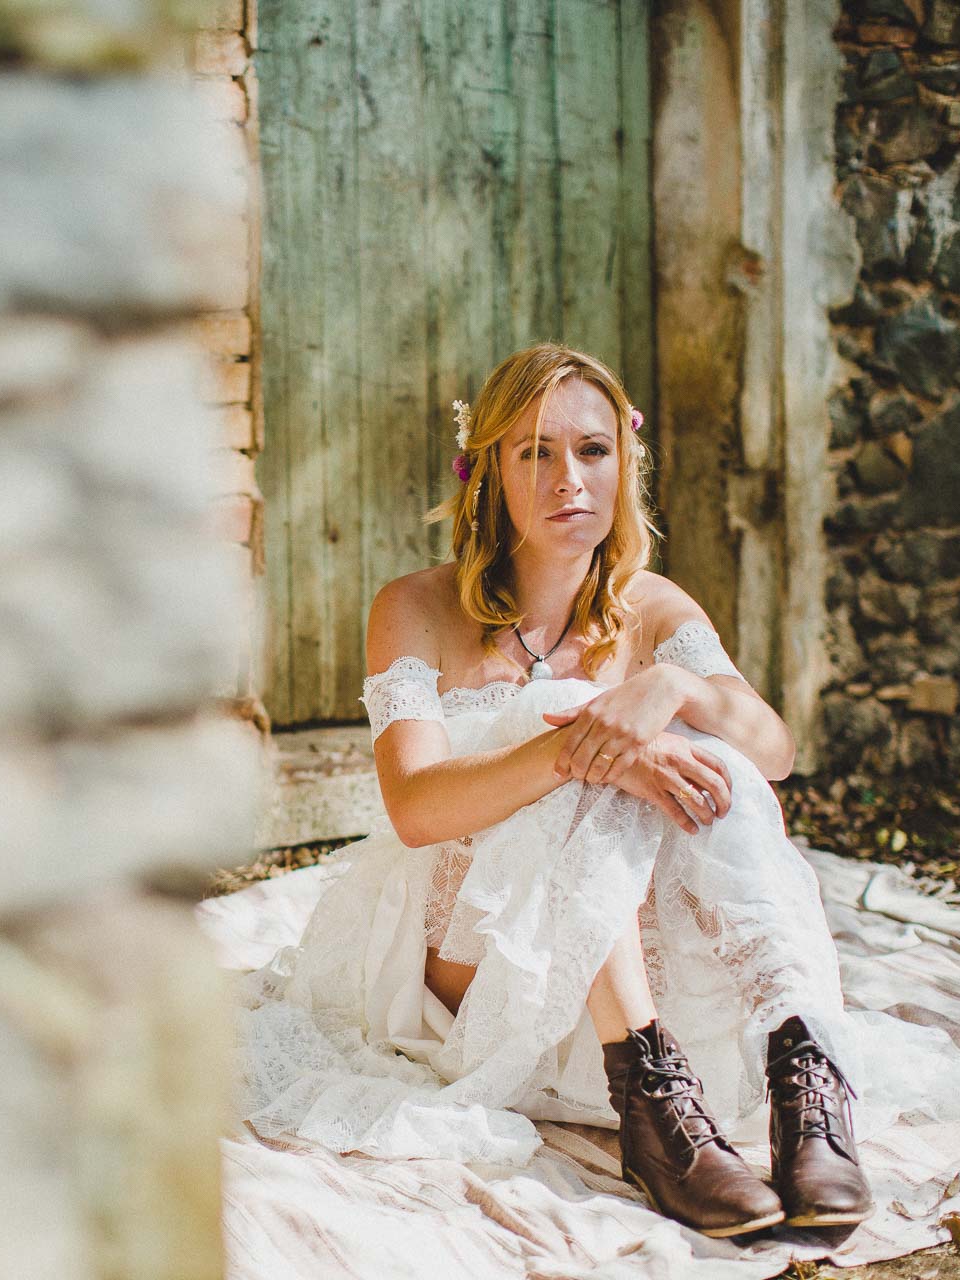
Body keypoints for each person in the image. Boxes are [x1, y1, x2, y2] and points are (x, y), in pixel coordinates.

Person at [231, 343, 894, 1239]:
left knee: (714, 755)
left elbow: (772, 751)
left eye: (592, 450)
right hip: (463, 964)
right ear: (488, 475)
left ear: (624, 465)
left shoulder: (651, 607)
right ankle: (651, 1095)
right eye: (534, 452)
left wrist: (673, 687)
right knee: (588, 736)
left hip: (614, 965)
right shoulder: (415, 609)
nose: (568, 479)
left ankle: (803, 1065)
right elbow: (416, 809)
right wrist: (587, 745)